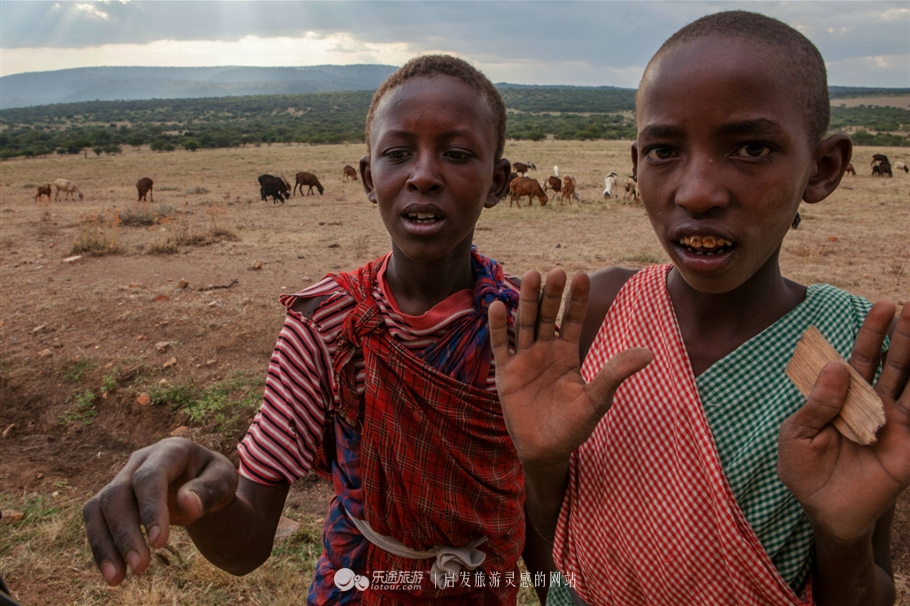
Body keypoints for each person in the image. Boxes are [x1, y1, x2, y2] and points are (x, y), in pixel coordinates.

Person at [489, 11, 910, 606]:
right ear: (636, 163)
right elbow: (556, 571)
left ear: (823, 168)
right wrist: (541, 468)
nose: (697, 192)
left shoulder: (855, 350)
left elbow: (868, 586)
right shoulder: (598, 314)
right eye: (664, 151)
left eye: (752, 148)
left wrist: (841, 536)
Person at [83, 55, 530, 605]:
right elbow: (247, 547)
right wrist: (209, 495)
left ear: (499, 181)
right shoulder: (325, 325)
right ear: (370, 179)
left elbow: (537, 505)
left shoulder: (520, 327)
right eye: (397, 154)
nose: (423, 175)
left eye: (457, 154)